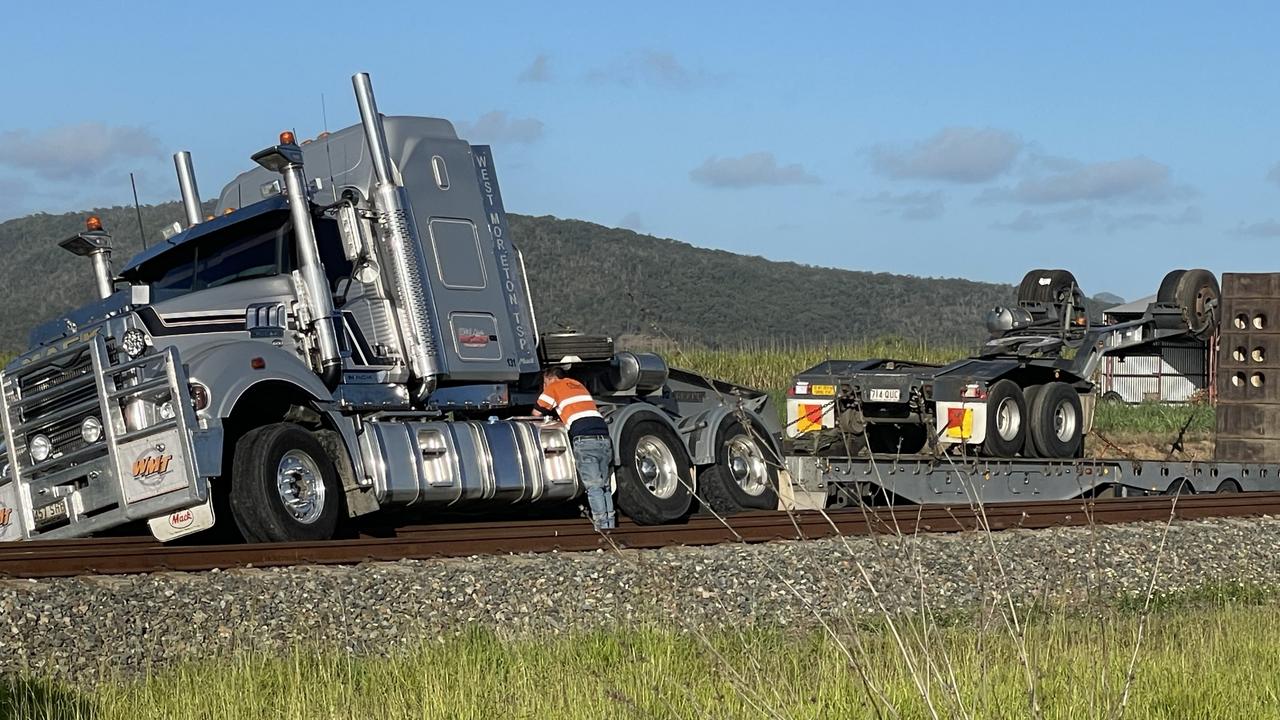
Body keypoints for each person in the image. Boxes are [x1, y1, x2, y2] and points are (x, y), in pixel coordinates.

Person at [536, 365, 616, 530]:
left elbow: (537, 413)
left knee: (593, 486)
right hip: (604, 437)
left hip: (584, 438)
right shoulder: (577, 385)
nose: (544, 386)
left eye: (544, 382)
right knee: (604, 486)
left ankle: (602, 528)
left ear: (551, 378)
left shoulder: (554, 386)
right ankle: (611, 525)